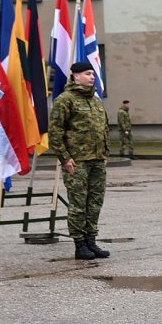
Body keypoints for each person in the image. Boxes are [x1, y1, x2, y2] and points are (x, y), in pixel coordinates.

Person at [49, 61, 111, 260]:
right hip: (77, 161)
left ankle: (91, 241)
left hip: (97, 160)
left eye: (92, 73)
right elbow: (55, 132)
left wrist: (105, 153)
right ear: (75, 76)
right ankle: (79, 244)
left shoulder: (95, 100)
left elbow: (104, 128)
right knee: (78, 204)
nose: (92, 77)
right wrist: (65, 158)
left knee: (95, 203)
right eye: (87, 73)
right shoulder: (65, 100)